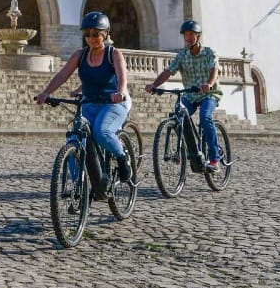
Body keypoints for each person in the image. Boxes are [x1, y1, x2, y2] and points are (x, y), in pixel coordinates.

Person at [34, 11, 133, 184]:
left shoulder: (113, 54)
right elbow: (61, 76)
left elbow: (122, 77)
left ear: (105, 34)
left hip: (112, 104)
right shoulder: (79, 55)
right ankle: (78, 188)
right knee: (74, 138)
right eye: (87, 34)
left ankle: (122, 157)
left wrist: (120, 92)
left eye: (95, 34)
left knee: (102, 132)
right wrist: (46, 92)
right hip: (89, 104)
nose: (91, 38)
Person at [144, 20, 222, 172]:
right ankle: (190, 149)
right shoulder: (182, 56)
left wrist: (209, 84)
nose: (189, 37)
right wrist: (155, 85)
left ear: (198, 36)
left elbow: (214, 69)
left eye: (192, 34)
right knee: (177, 115)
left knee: (205, 117)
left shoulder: (209, 52)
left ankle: (214, 159)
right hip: (191, 95)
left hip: (209, 94)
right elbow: (168, 72)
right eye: (186, 35)